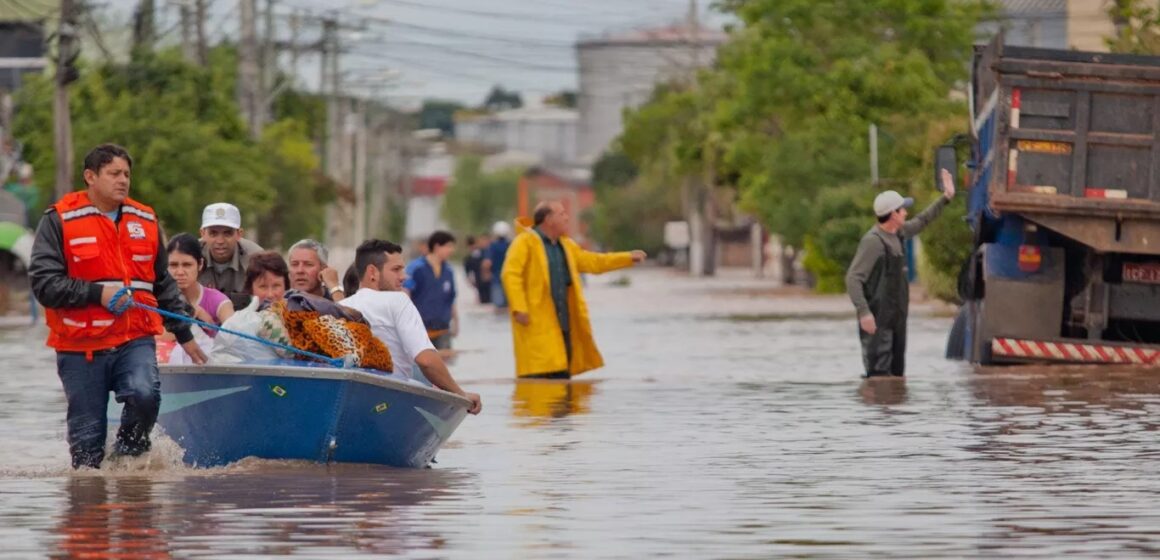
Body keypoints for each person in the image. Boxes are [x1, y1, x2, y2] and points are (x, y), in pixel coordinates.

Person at [28, 143, 207, 469]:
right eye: (114, 173)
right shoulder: (59, 220)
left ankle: (129, 465)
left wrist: (184, 333)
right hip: (80, 347)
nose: (123, 180)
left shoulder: (146, 219)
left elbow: (162, 282)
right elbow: (44, 285)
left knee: (145, 395)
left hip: (133, 338)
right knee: (86, 452)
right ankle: (90, 504)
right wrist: (97, 293)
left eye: (126, 174)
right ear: (90, 177)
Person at [501, 201, 646, 379]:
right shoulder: (525, 242)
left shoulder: (566, 245)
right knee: (539, 384)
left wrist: (627, 257)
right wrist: (519, 308)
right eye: (561, 214)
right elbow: (510, 273)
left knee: (562, 381)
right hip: (536, 323)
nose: (567, 217)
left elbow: (594, 262)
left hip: (564, 326)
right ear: (548, 219)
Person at [340, 239, 482, 414]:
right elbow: (426, 360)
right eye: (396, 269)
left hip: (352, 402)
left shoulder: (340, 306)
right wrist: (461, 394)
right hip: (390, 402)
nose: (404, 276)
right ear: (372, 272)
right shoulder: (398, 300)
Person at [845, 169, 956, 377]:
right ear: (893, 214)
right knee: (878, 379)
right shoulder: (873, 242)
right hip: (878, 321)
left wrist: (946, 197)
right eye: (902, 210)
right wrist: (864, 312)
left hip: (897, 319)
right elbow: (853, 278)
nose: (906, 213)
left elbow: (923, 220)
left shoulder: (901, 233)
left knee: (896, 378)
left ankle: (895, 409)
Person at [165, 233, 234, 336]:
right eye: (173, 265)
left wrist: (210, 326)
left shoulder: (218, 301)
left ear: (200, 264)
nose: (180, 272)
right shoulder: (156, 299)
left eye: (187, 265)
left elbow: (235, 334)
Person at [198, 202, 263, 310]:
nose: (220, 241)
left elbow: (268, 300)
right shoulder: (189, 256)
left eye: (227, 233)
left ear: (239, 234)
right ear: (203, 234)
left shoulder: (257, 259)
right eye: (213, 233)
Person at [404, 231, 458, 350]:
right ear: (437, 246)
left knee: (445, 366)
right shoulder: (416, 268)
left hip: (443, 330)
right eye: (449, 246)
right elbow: (405, 294)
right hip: (421, 331)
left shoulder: (449, 271)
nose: (452, 250)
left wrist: (456, 323)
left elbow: (451, 299)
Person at [483, 221, 512, 310]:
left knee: (498, 307)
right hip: (510, 279)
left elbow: (487, 263)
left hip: (496, 279)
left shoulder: (492, 246)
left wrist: (486, 274)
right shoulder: (512, 245)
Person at [463, 234, 492, 305]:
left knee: (485, 300)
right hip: (481, 280)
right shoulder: (469, 258)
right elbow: (468, 274)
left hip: (483, 280)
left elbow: (467, 274)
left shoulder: (469, 258)